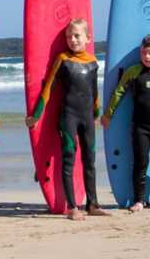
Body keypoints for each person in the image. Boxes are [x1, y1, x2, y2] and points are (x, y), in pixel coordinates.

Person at [26, 18, 108, 221]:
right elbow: (49, 88)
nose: (72, 39)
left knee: (90, 160)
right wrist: (36, 115)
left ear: (88, 38)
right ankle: (72, 207)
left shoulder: (92, 62)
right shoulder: (63, 59)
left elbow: (95, 91)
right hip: (68, 117)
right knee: (68, 160)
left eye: (77, 35)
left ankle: (92, 203)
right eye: (69, 36)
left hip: (88, 118)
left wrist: (97, 113)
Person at [102, 33, 150, 212]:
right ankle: (139, 200)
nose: (147, 57)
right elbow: (119, 92)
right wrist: (108, 114)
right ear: (140, 52)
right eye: (145, 53)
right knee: (140, 162)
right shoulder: (133, 71)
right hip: (140, 127)